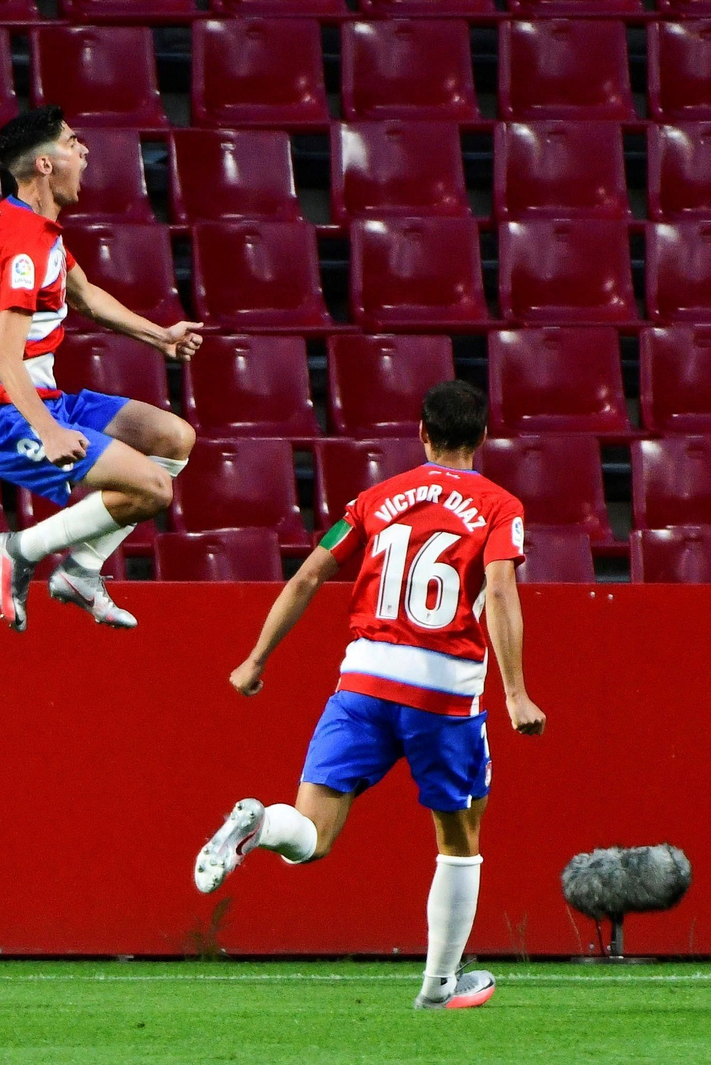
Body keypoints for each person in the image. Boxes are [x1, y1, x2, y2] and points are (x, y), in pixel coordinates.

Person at [193, 381, 548, 1011]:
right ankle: (439, 986)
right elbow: (498, 590)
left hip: (361, 682)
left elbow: (308, 574)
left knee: (311, 836)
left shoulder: (372, 500)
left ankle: (263, 824)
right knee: (459, 840)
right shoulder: (500, 506)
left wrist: (255, 660)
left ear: (422, 432)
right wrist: (516, 693)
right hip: (443, 692)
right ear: (483, 438)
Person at [0, 106, 205, 632]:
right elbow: (7, 358)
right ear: (46, 165)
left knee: (173, 437)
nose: (85, 151)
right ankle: (18, 549)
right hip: (6, 413)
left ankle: (81, 569)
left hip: (44, 396)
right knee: (153, 490)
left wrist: (158, 335)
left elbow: (86, 296)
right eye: (73, 142)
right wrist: (48, 432)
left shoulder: (32, 223)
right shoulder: (25, 247)